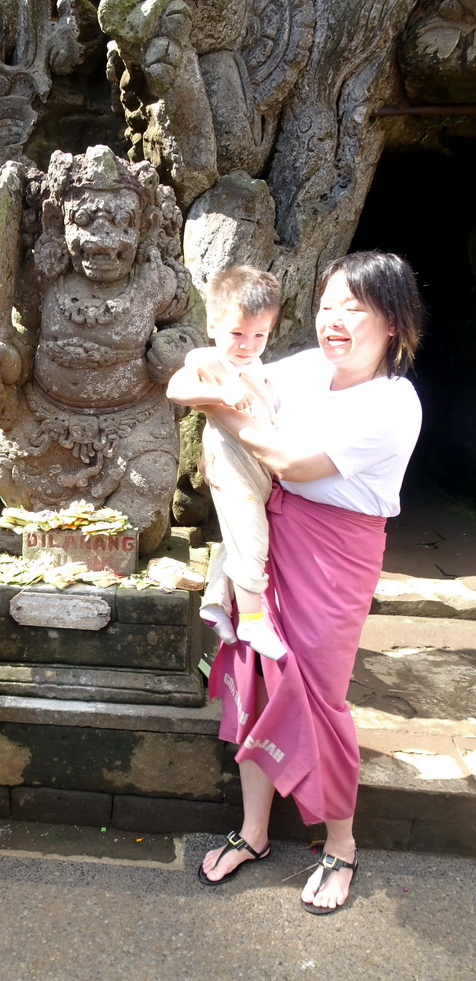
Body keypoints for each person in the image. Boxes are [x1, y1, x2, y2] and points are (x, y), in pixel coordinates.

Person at [188, 251, 423, 913]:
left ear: (393, 324)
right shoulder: (304, 371)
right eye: (327, 305)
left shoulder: (393, 402)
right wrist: (202, 383)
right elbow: (219, 368)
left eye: (355, 308)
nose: (335, 321)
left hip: (334, 556)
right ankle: (255, 832)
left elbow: (293, 462)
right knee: (258, 681)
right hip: (268, 542)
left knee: (318, 697)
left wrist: (223, 415)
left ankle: (340, 845)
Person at [166, 265, 286, 661]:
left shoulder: (256, 366)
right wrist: (222, 395)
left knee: (236, 536)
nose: (247, 344)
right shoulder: (209, 359)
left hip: (261, 467)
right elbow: (176, 388)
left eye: (259, 335)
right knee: (252, 538)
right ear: (214, 324)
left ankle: (216, 601)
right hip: (233, 465)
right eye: (237, 333)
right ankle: (252, 619)